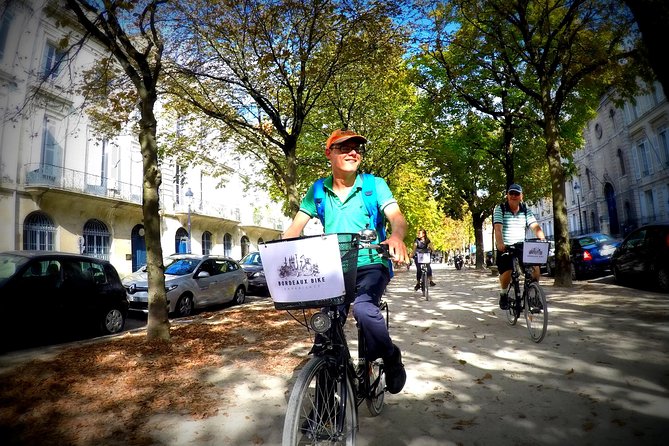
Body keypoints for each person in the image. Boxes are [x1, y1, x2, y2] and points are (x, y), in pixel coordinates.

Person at [283, 128, 409, 394]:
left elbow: (397, 218)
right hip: (333, 268)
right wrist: (281, 252)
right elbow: (294, 230)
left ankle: (390, 356)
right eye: (344, 147)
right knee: (326, 330)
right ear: (329, 153)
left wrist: (396, 236)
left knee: (364, 310)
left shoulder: (374, 185)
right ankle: (324, 410)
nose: (353, 152)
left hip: (371, 263)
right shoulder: (318, 189)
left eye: (357, 148)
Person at [493, 183, 546, 309]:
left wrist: (542, 238)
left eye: (516, 194)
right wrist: (500, 244)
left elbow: (535, 226)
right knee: (508, 271)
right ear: (507, 195)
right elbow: (498, 229)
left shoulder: (525, 210)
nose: (513, 196)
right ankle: (504, 294)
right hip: (505, 246)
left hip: (521, 245)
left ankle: (533, 295)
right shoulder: (500, 208)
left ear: (521, 196)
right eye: (511, 193)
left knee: (535, 268)